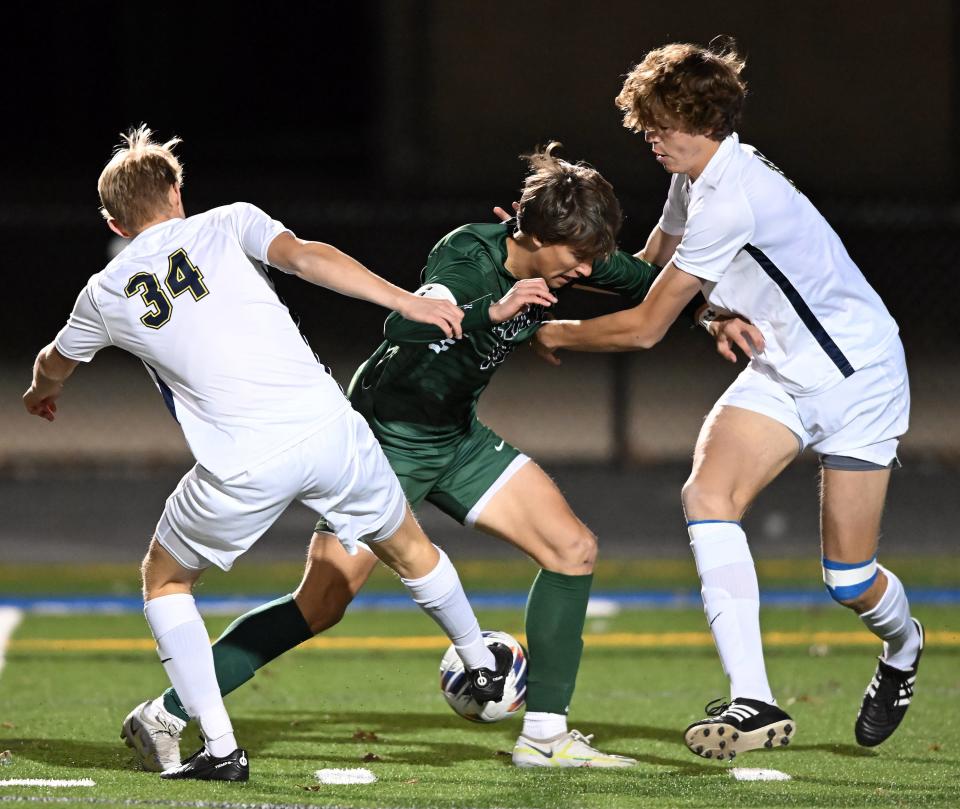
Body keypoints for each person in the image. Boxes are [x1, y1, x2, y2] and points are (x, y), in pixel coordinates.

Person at [124, 143, 658, 770]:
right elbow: (405, 326)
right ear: (534, 235)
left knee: (573, 550)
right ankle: (165, 712)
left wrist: (713, 316)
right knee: (321, 603)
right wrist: (495, 309)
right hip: (382, 442)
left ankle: (544, 735)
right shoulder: (467, 253)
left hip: (456, 439)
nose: (588, 270)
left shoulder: (574, 253)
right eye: (578, 258)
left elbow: (656, 287)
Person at [23, 125, 514, 782]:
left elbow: (55, 362)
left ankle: (220, 747)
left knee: (165, 580)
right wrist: (403, 299)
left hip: (241, 463)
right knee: (407, 545)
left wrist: (39, 393)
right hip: (329, 429)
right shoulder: (229, 221)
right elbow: (309, 256)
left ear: (113, 219)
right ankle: (480, 661)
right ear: (176, 192)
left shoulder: (104, 292)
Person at [527, 42, 923, 760]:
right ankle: (756, 698)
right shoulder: (698, 177)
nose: (650, 134)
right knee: (707, 495)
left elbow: (647, 324)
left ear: (702, 120)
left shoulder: (730, 195)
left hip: (858, 379)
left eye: (662, 122)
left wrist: (553, 330)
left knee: (849, 578)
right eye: (645, 120)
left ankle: (903, 645)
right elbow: (646, 269)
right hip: (779, 370)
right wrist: (539, 256)